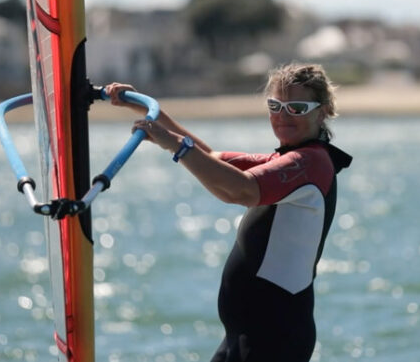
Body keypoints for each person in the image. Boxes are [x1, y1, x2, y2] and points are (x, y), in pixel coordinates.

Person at [106, 63, 352, 362]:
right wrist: (139, 106)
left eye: (297, 108)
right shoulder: (286, 160)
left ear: (323, 111)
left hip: (274, 338)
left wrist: (172, 143)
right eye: (275, 106)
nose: (282, 116)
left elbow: (240, 190)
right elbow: (210, 157)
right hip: (245, 335)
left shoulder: (310, 163)